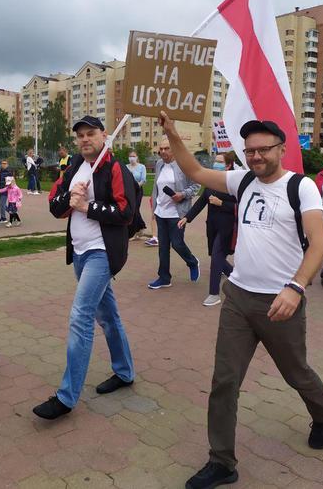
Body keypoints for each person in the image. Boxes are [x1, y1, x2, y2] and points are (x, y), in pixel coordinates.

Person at [158, 113, 323, 489]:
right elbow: (195, 170)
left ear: (281, 150)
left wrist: (296, 286)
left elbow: (319, 242)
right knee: (225, 380)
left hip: (281, 302)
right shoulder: (243, 180)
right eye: (249, 150)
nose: (255, 156)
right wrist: (173, 134)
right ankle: (221, 461)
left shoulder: (301, 187)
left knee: (296, 373)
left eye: (263, 149)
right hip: (238, 297)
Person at [33, 115, 136, 420]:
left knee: (81, 316)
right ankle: (125, 371)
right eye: (80, 136)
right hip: (79, 253)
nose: (85, 139)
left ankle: (66, 397)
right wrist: (70, 197)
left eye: (91, 134)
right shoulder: (75, 166)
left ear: (104, 135)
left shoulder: (115, 168)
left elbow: (127, 212)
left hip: (101, 254)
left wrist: (86, 207)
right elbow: (55, 207)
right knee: (108, 315)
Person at [178, 152, 237, 307]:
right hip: (212, 225)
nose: (215, 164)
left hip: (227, 227)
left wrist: (222, 203)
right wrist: (187, 217)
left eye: (219, 162)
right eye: (215, 161)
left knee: (217, 256)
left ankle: (214, 294)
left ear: (228, 165)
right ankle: (235, 276)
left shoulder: (234, 183)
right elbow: (201, 202)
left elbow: (242, 206)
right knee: (215, 257)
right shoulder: (211, 181)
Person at [147, 137, 201, 289]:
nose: (162, 151)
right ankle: (164, 277)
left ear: (174, 150)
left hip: (177, 214)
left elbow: (196, 185)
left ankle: (192, 262)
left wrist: (182, 194)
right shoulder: (159, 164)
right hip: (161, 213)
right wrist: (154, 209)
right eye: (161, 149)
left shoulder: (184, 165)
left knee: (177, 243)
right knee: (163, 246)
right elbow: (156, 188)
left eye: (166, 148)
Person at [126, 149, 147, 240]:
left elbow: (143, 179)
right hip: (128, 191)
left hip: (138, 190)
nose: (132, 158)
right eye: (130, 156)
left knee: (135, 209)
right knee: (132, 210)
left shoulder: (142, 167)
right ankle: (140, 227)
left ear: (137, 157)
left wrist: (136, 186)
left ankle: (134, 231)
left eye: (134, 156)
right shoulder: (126, 167)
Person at [0, 159, 13, 224]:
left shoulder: (9, 172)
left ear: (7, 164)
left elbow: (10, 182)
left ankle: (3, 218)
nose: (3, 165)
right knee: (2, 204)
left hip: (6, 190)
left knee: (2, 204)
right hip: (0, 189)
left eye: (5, 163)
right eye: (2, 163)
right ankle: (13, 213)